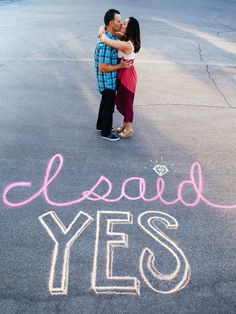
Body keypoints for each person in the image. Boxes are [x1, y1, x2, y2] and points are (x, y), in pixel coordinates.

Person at [100, 16, 141, 138]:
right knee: (122, 99)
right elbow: (108, 31)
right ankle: (124, 124)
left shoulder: (127, 45)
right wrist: (103, 28)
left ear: (130, 29)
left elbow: (106, 40)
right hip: (123, 72)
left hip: (127, 76)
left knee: (127, 102)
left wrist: (102, 32)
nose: (121, 25)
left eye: (124, 24)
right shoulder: (125, 38)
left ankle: (129, 128)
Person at [94, 9, 131, 141]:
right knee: (108, 107)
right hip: (107, 81)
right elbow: (103, 67)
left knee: (104, 103)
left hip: (108, 80)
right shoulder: (105, 44)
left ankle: (100, 125)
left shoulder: (111, 36)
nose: (120, 23)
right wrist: (120, 66)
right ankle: (106, 132)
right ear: (111, 23)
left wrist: (102, 28)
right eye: (118, 21)